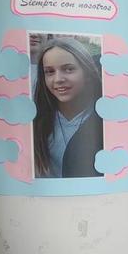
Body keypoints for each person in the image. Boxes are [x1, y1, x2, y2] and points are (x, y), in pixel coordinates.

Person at [32, 38, 104, 178]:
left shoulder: (105, 118)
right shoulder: (36, 121)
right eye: (50, 72)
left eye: (68, 69)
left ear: (87, 73)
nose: (58, 79)